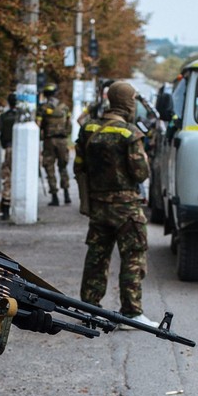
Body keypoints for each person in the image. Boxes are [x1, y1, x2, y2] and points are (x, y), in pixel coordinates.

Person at [74, 80, 157, 328]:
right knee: (132, 257)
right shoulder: (130, 133)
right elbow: (141, 173)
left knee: (97, 258)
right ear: (127, 103)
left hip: (99, 206)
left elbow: (79, 166)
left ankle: (89, 310)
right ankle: (131, 313)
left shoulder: (88, 129)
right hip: (127, 209)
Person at [37, 82, 72, 206]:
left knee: (49, 167)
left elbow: (38, 125)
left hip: (49, 141)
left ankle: (55, 197)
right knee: (63, 167)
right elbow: (69, 124)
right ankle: (67, 194)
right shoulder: (64, 107)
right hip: (62, 141)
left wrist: (39, 138)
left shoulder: (43, 108)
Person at [0, 92, 18, 220]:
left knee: (8, 177)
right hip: (21, 149)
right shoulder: (21, 117)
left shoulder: (3, 117)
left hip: (9, 148)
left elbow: (1, 134)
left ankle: (5, 207)